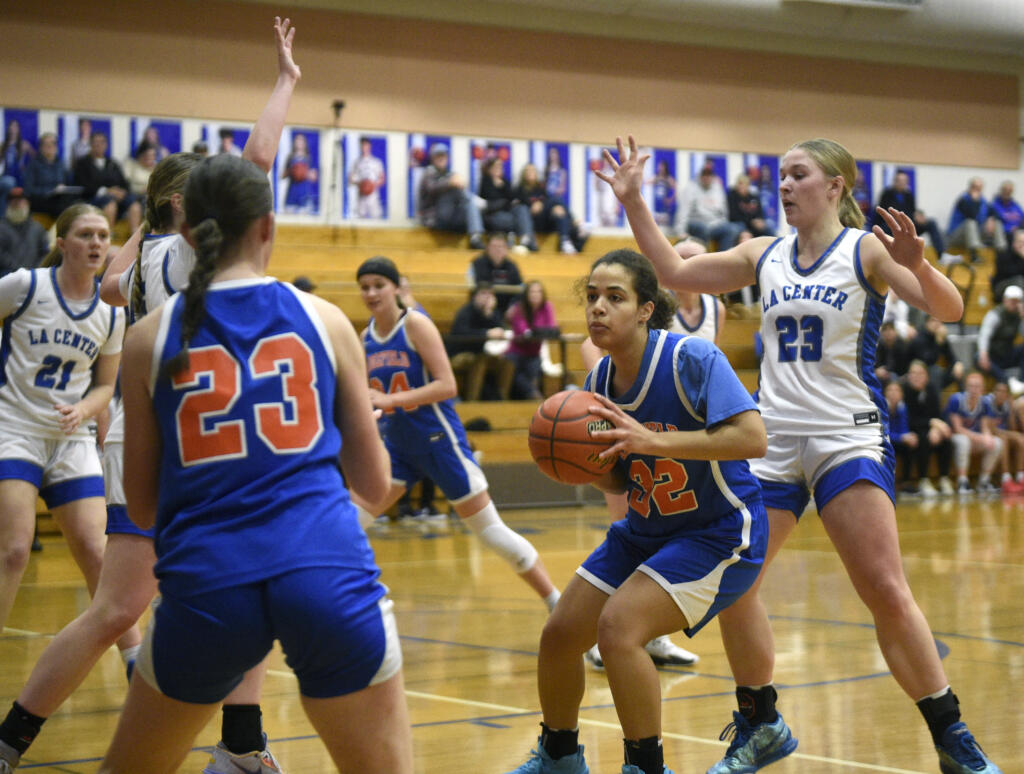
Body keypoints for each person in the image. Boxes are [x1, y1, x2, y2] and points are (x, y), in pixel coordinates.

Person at [599, 134, 1000, 773]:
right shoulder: (765, 254)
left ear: (835, 187)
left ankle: (952, 735)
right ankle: (761, 721)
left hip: (847, 435)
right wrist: (634, 203)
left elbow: (947, 310)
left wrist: (918, 265)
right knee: (738, 580)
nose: (783, 186)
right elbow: (674, 275)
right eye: (779, 176)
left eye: (797, 175)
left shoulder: (866, 248)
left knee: (885, 590)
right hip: (773, 439)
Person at [0, 18, 305, 774]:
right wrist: (286, 82)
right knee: (235, 588)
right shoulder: (205, 248)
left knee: (118, 610)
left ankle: (13, 740)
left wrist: (143, 219)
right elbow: (260, 155)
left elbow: (108, 283)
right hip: (191, 439)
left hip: (135, 436)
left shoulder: (137, 266)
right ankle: (241, 748)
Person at [93, 152, 412, 774]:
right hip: (326, 568)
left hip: (209, 578)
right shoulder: (324, 320)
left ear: (183, 232)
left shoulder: (146, 337)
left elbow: (143, 506)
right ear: (268, 225)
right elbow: (374, 484)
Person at [504, 249, 768, 774]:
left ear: (647, 309)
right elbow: (621, 478)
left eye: (615, 298)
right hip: (647, 529)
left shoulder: (690, 359)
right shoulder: (599, 381)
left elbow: (753, 439)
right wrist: (579, 464)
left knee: (619, 630)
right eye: (593, 297)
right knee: (560, 635)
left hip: (718, 531)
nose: (598, 308)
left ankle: (646, 767)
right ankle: (559, 757)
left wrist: (652, 440)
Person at [0, 204, 143, 772]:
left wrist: (84, 407)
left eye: (104, 237)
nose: (96, 243)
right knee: (13, 547)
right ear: (61, 242)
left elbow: (106, 385)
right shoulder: (24, 285)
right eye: (85, 234)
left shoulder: (111, 311)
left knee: (96, 549)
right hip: (15, 428)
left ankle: (137, 662)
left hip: (71, 434)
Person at [352, 256, 561, 608]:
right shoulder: (365, 338)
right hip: (399, 449)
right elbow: (369, 395)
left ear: (395, 288)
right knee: (348, 527)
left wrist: (391, 399)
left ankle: (556, 600)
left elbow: (448, 385)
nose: (371, 293)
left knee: (492, 534)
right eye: (365, 287)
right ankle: (365, 595)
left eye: (378, 285)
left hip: (438, 442)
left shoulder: (415, 325)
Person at [447, 282, 515, 401]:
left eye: (490, 295)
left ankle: (502, 399)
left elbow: (502, 330)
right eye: (483, 294)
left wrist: (490, 315)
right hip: (461, 353)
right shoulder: (465, 312)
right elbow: (461, 334)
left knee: (509, 361)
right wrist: (486, 333)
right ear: (475, 296)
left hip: (486, 353)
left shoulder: (493, 313)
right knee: (479, 360)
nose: (487, 298)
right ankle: (473, 400)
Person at [417, 143, 485, 248]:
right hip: (434, 218)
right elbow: (432, 188)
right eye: (438, 156)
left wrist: (456, 182)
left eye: (443, 155)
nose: (441, 158)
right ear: (433, 158)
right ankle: (480, 203)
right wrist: (450, 182)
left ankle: (475, 237)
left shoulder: (450, 174)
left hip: (451, 217)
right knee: (456, 190)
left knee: (469, 203)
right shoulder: (428, 172)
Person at [902, 360, 954, 497]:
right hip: (910, 429)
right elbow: (910, 420)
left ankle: (944, 478)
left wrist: (937, 429)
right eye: (913, 373)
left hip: (928, 427)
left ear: (927, 376)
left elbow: (937, 415)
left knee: (946, 437)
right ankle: (923, 480)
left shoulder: (931, 389)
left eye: (920, 373)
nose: (916, 376)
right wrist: (932, 423)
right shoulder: (905, 391)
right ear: (908, 376)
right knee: (923, 438)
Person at [72, 132, 142, 233]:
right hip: (93, 198)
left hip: (116, 197)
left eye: (102, 142)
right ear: (91, 145)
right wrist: (107, 191)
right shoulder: (82, 164)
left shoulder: (112, 163)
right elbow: (83, 186)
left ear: (106, 145)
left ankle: (135, 236)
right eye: (96, 142)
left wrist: (121, 191)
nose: (99, 145)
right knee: (110, 203)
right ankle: (108, 235)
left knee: (134, 203)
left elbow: (124, 183)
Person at [945, 371, 1001, 496]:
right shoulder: (956, 400)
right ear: (966, 387)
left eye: (977, 386)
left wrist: (987, 437)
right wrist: (981, 437)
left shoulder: (985, 402)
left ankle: (984, 481)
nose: (974, 389)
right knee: (964, 442)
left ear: (983, 389)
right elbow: (957, 428)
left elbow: (985, 426)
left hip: (973, 438)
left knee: (996, 443)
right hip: (953, 437)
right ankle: (962, 481)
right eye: (971, 386)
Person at [504, 280, 558, 400]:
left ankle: (532, 396)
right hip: (516, 351)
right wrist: (537, 332)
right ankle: (534, 395)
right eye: (532, 292)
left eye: (538, 292)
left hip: (534, 352)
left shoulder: (547, 306)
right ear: (527, 294)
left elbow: (551, 327)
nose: (535, 294)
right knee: (513, 370)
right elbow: (522, 330)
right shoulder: (519, 308)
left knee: (534, 367)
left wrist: (537, 332)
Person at [674, 162, 743, 251]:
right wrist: (681, 231)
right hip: (695, 222)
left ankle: (722, 260)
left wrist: (722, 223)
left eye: (709, 176)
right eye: (704, 175)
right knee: (703, 228)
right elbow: (683, 211)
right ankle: (704, 259)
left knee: (732, 229)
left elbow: (724, 211)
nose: (706, 178)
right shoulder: (690, 188)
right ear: (700, 177)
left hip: (714, 224)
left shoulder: (718, 189)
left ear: (712, 177)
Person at [876, 170, 946, 257]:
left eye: (904, 181)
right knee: (888, 226)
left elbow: (913, 211)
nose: (902, 183)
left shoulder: (909, 195)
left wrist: (919, 215)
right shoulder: (886, 194)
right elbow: (882, 213)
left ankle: (941, 255)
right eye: (899, 181)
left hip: (908, 224)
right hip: (892, 225)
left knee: (931, 222)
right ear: (895, 182)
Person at [513, 163, 577, 254]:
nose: (530, 173)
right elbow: (519, 206)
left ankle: (565, 240)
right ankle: (574, 221)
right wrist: (533, 205)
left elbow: (548, 201)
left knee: (558, 207)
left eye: (532, 170)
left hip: (544, 219)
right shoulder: (519, 189)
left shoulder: (541, 188)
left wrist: (541, 204)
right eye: (527, 171)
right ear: (523, 174)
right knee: (557, 200)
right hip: (531, 221)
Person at [479, 156, 536, 252]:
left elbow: (515, 197)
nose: (499, 169)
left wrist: (503, 188)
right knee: (511, 219)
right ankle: (517, 236)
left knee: (522, 209)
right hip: (492, 215)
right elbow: (491, 202)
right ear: (489, 169)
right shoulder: (486, 182)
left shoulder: (505, 182)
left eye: (500, 167)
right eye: (496, 167)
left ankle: (526, 240)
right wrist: (505, 200)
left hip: (507, 213)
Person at [976, 283, 1024, 391]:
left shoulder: (1019, 316)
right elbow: (984, 335)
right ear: (1005, 300)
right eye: (1011, 300)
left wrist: (1023, 317)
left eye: (1017, 301)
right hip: (992, 355)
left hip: (1006, 354)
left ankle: (1022, 382)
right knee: (977, 357)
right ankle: (1007, 381)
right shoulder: (995, 314)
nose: (1014, 304)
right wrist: (984, 353)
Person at [946, 177, 1008, 262]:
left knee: (996, 222)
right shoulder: (963, 200)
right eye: (975, 187)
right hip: (957, 237)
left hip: (975, 236)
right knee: (970, 222)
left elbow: (996, 214)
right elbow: (971, 215)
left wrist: (991, 219)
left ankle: (1002, 252)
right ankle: (974, 255)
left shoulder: (983, 201)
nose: (977, 190)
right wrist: (974, 201)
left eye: (979, 188)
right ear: (970, 187)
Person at [22, 132, 82, 218]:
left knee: (79, 204)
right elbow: (28, 190)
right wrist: (51, 190)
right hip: (41, 200)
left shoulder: (61, 164)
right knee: (62, 207)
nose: (50, 146)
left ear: (56, 147)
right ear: (41, 147)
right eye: (46, 144)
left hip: (60, 198)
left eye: (53, 143)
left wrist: (65, 189)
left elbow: (69, 183)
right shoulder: (33, 165)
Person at [469, 232, 525, 315]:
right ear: (487, 248)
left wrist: (513, 306)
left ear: (506, 249)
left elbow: (520, 289)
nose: (497, 250)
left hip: (506, 309)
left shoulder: (512, 266)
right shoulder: (477, 264)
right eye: (494, 246)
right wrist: (486, 303)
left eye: (501, 247)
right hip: (482, 307)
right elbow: (473, 289)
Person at [984, 380, 1024, 494]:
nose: (1001, 393)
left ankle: (1021, 478)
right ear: (994, 392)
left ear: (1007, 394)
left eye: (1004, 391)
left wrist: (1011, 410)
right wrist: (1009, 434)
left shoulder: (1006, 404)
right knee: (1004, 440)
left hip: (1003, 433)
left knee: (1020, 439)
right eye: (999, 390)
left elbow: (1012, 428)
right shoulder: (987, 402)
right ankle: (1005, 479)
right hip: (986, 434)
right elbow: (991, 429)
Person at [0, 188, 48, 277]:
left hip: (35, 274)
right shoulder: (1, 227)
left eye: (20, 200)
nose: (17, 203)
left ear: (27, 203)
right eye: (13, 200)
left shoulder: (37, 227)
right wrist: (19, 270)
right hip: (8, 275)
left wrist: (35, 269)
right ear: (8, 204)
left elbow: (45, 253)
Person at [908, 315, 964, 390]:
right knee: (935, 370)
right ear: (927, 323)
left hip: (932, 375)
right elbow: (928, 361)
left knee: (958, 370)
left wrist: (957, 363)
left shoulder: (939, 336)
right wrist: (938, 343)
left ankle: (961, 398)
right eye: (933, 321)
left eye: (939, 321)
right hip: (916, 373)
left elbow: (951, 356)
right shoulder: (919, 337)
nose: (936, 324)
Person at [727, 173, 775, 239]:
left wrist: (759, 221)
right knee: (743, 232)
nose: (742, 186)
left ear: (748, 185)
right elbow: (733, 216)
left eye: (744, 184)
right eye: (740, 184)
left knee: (769, 230)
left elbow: (760, 213)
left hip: (754, 225)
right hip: (740, 225)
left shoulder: (754, 197)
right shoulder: (732, 196)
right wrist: (752, 221)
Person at [349, 136, 385, 219]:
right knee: (360, 218)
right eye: (362, 145)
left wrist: (372, 185)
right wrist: (361, 184)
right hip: (361, 198)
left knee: (376, 218)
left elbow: (382, 179)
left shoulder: (376, 162)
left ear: (369, 146)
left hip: (373, 197)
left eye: (366, 145)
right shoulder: (356, 162)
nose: (364, 147)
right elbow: (350, 179)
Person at [282, 132, 318, 213]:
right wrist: (293, 171)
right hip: (291, 195)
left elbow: (314, 177)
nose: (299, 143)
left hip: (304, 195)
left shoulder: (309, 158)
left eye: (301, 141)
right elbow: (282, 176)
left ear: (305, 143)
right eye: (297, 140)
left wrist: (305, 173)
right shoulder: (290, 157)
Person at [990, 227, 1024, 302]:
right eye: (1020, 242)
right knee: (1019, 280)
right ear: (1014, 242)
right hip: (1001, 286)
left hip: (1019, 285)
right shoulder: (1004, 254)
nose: (1022, 245)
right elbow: (1011, 272)